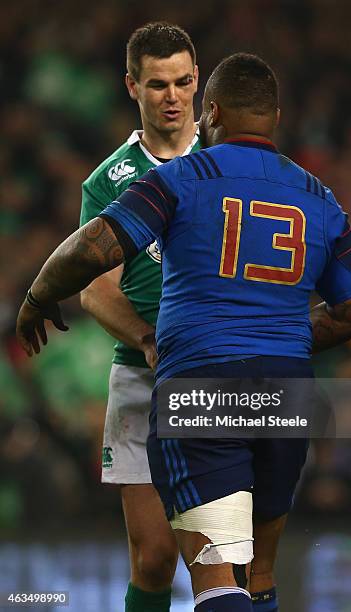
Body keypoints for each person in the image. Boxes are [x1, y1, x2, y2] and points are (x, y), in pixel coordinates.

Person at [16, 53, 351, 612]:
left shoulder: (182, 179)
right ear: (276, 117)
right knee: (258, 573)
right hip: (284, 394)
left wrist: (39, 294)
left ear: (210, 111)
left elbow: (94, 248)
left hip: (201, 383)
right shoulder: (319, 196)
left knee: (214, 580)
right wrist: (284, 332)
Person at [78, 22, 200, 612]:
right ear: (132, 86)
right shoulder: (109, 181)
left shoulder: (230, 156)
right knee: (155, 559)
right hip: (142, 373)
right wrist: (152, 343)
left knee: (225, 557)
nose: (172, 97)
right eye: (157, 85)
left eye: (182, 82)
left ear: (197, 80)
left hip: (221, 373)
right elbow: (96, 291)